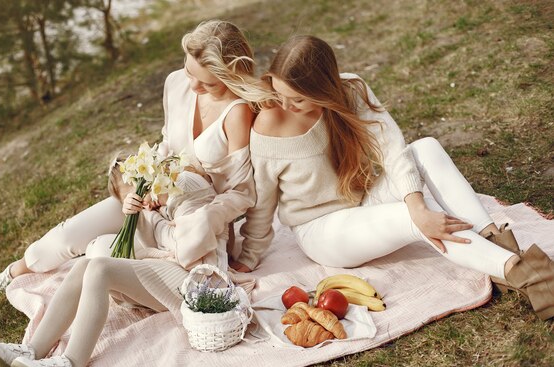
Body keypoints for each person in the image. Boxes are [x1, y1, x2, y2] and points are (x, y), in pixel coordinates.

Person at [230, 35, 554, 321]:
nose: (285, 104)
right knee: (413, 219)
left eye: (297, 98)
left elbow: (392, 149)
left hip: (363, 200)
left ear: (324, 88)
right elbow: (263, 199)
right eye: (279, 92)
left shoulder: (350, 90)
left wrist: (417, 204)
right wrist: (248, 257)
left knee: (425, 148)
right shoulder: (270, 124)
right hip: (323, 230)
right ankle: (529, 275)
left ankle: (495, 242)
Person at [0, 19, 270, 304]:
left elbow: (242, 192)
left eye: (207, 83)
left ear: (229, 75)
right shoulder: (175, 83)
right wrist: (148, 187)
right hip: (155, 199)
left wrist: (220, 229)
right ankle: (17, 269)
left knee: (110, 259)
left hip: (195, 223)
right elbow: (168, 145)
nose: (192, 85)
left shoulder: (237, 112)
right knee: (66, 237)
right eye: (188, 71)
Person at [0, 155, 229, 367]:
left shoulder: (187, 190)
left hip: (200, 282)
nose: (146, 200)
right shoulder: (156, 207)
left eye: (145, 188)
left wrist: (151, 216)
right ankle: (32, 350)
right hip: (171, 274)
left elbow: (188, 249)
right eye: (134, 197)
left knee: (100, 269)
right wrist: (141, 217)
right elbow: (154, 247)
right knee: (85, 266)